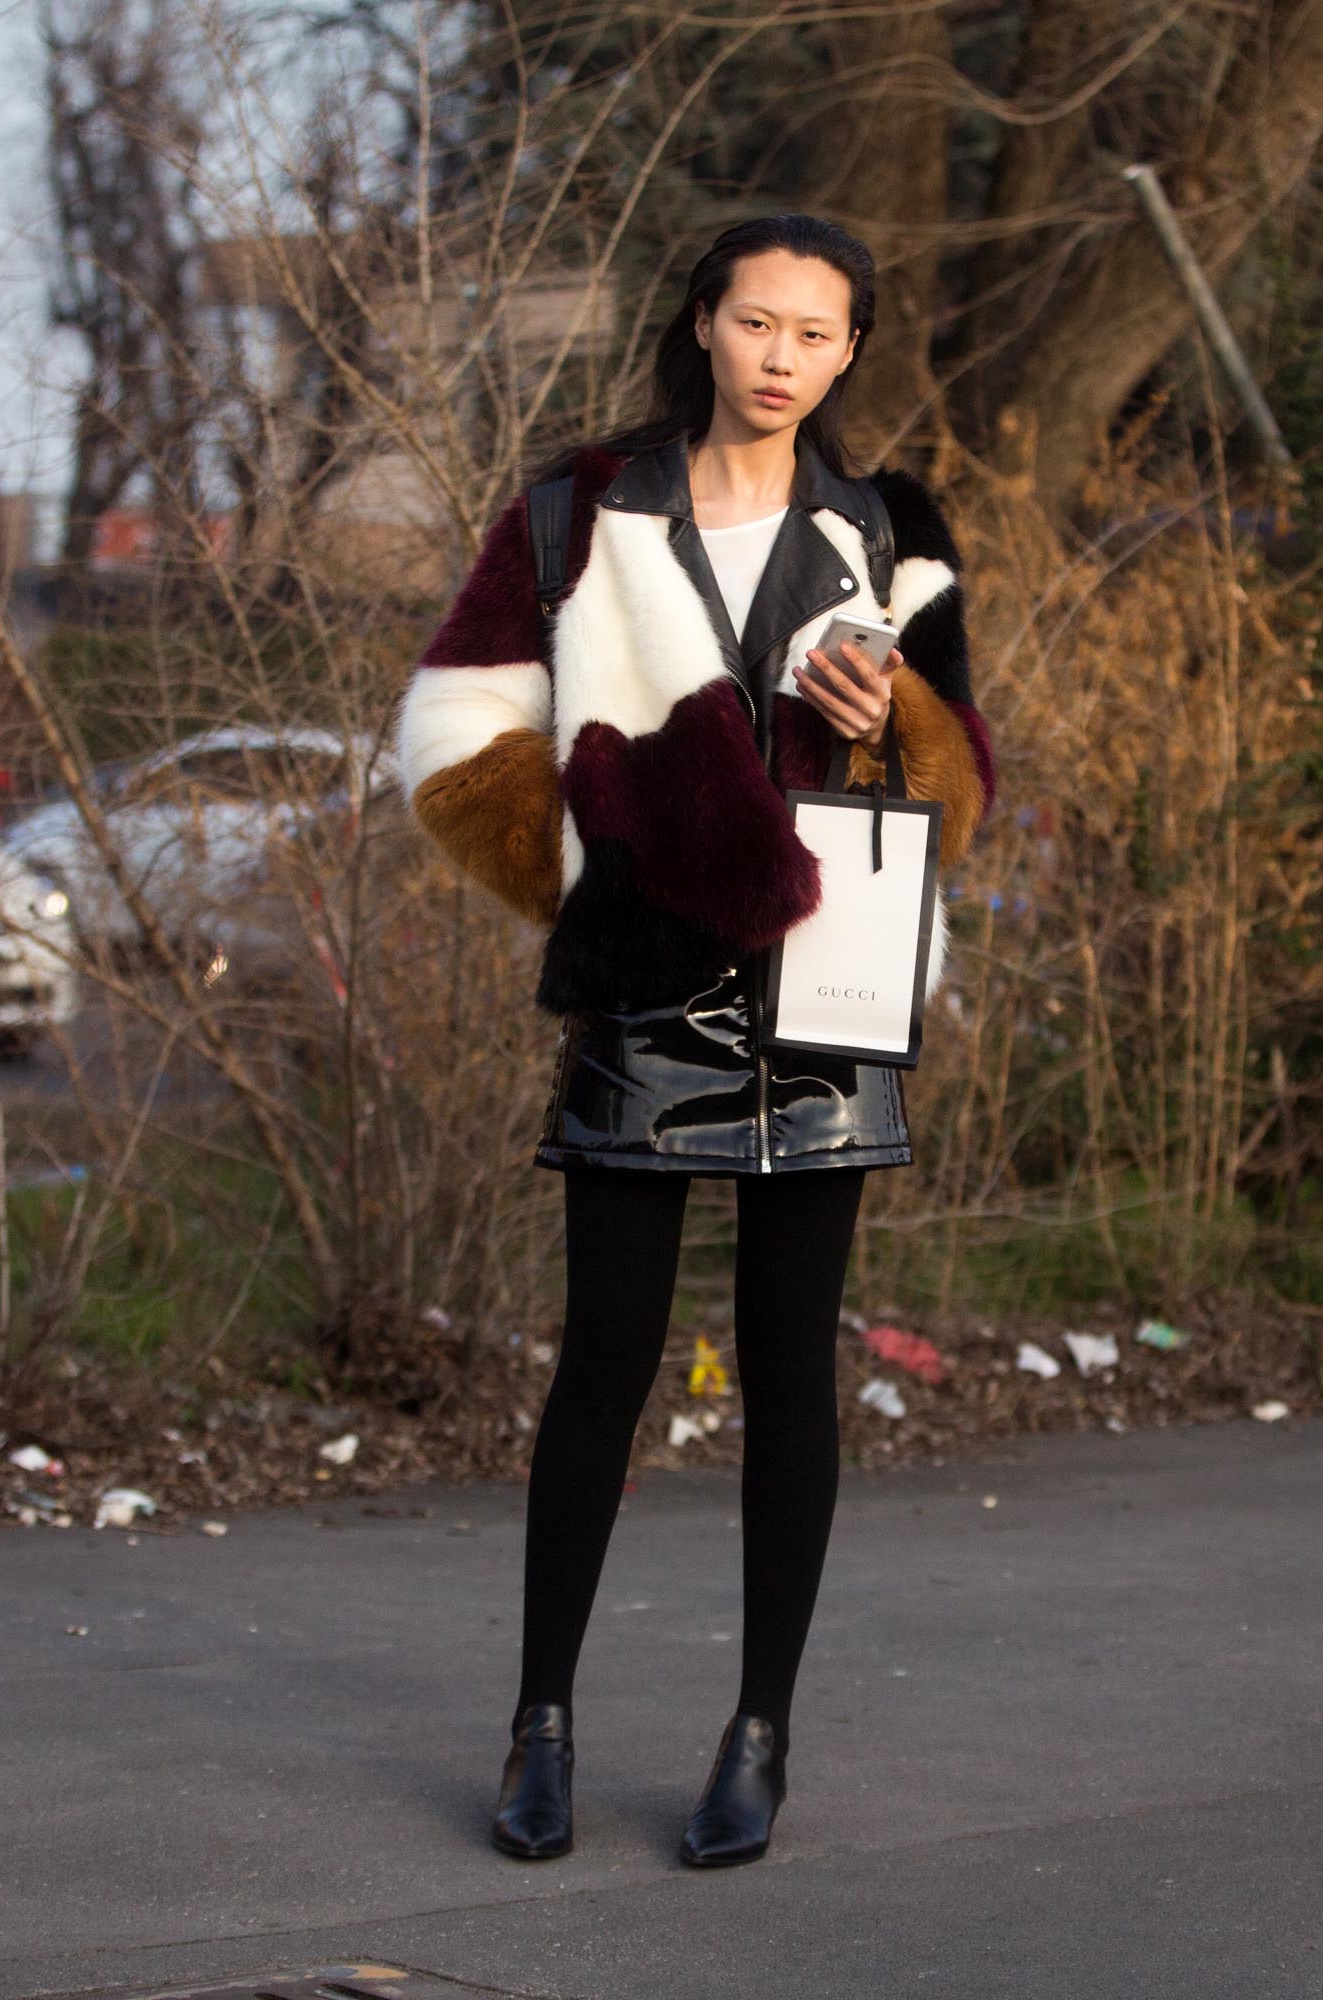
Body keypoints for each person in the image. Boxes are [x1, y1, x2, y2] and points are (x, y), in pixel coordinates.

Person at [392, 214, 998, 1868]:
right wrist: (604, 875)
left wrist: (904, 729)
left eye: (816, 330)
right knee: (604, 1362)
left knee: (792, 1371)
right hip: (648, 995)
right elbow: (453, 731)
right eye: (756, 321)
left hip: (831, 998)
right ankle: (542, 1726)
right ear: (707, 326)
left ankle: (760, 1734)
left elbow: (966, 784)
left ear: (850, 350)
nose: (783, 353)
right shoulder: (578, 510)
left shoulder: (889, 532)